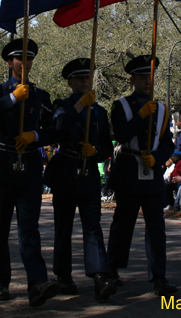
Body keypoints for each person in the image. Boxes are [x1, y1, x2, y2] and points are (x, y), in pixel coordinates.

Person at [0, 38, 59, 306]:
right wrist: (12, 98)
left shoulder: (40, 96)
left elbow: (54, 129)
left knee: (29, 230)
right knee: (0, 230)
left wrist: (36, 135)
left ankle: (37, 283)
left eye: (30, 58)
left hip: (29, 169)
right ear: (9, 62)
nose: (25, 63)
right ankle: (1, 283)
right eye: (20, 58)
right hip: (2, 168)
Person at [45, 58, 116, 301]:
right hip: (66, 171)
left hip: (89, 173)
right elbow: (57, 127)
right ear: (70, 82)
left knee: (93, 225)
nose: (85, 81)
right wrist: (78, 107)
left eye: (88, 77)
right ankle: (63, 275)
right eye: (80, 78)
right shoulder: (62, 105)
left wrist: (96, 151)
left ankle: (100, 275)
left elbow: (107, 144)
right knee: (64, 227)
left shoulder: (99, 111)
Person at [106, 55, 177, 296]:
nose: (147, 81)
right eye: (142, 77)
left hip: (151, 172)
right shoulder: (121, 106)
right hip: (129, 169)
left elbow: (168, 143)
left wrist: (157, 158)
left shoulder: (162, 109)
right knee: (123, 223)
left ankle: (159, 276)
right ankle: (112, 268)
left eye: (150, 76)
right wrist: (140, 116)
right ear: (132, 80)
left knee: (156, 226)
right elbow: (121, 135)